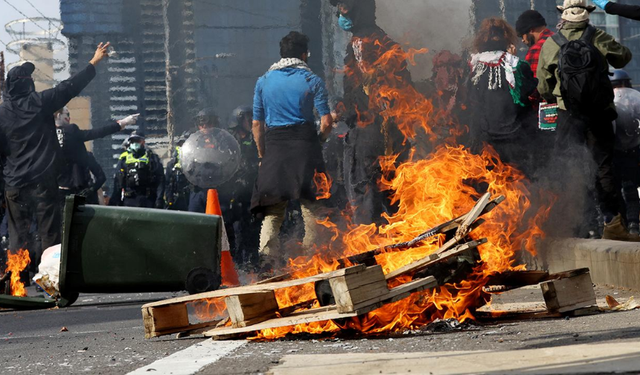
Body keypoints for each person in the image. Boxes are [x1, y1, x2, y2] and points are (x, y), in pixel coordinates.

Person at [537, 0, 636, 241]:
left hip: (567, 116)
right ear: (587, 14)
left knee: (568, 166)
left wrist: (560, 95)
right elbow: (624, 58)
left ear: (564, 15)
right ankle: (613, 224)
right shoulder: (598, 36)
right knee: (604, 167)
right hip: (600, 115)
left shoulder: (552, 43)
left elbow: (543, 86)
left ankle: (577, 224)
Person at [0, 42, 110, 255]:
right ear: (28, 84)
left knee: (18, 237)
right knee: (49, 235)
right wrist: (94, 61)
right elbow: (70, 86)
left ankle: (17, 283)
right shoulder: (41, 102)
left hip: (14, 186)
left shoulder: (2, 114)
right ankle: (51, 282)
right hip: (43, 183)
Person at [251, 31, 333, 270]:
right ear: (304, 54)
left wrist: (262, 156)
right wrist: (319, 141)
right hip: (305, 148)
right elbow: (326, 122)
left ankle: (267, 261)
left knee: (273, 211)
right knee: (311, 208)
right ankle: (311, 260)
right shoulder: (312, 80)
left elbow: (257, 125)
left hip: (275, 149)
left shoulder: (263, 81)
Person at [330, 0, 413, 226]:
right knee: (394, 198)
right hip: (394, 133)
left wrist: (344, 114)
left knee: (365, 197)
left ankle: (372, 249)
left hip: (368, 133)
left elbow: (356, 93)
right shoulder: (385, 40)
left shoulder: (359, 43)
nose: (340, 12)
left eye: (344, 7)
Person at [466, 18, 538, 174]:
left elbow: (469, 101)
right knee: (516, 185)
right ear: (507, 39)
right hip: (515, 138)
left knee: (488, 185)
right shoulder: (517, 65)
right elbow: (530, 95)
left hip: (484, 140)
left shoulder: (472, 66)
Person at [55, 106, 138, 203]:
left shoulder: (46, 135)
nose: (69, 118)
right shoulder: (71, 130)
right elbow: (96, 133)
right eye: (67, 114)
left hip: (57, 192)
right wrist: (122, 123)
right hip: (76, 189)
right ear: (59, 115)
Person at [224, 106, 260, 266]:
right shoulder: (228, 140)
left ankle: (253, 260)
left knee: (253, 227)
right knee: (236, 229)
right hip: (235, 191)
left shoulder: (255, 138)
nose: (251, 120)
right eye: (248, 117)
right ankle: (237, 263)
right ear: (239, 120)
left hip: (252, 189)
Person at [610, 70, 640, 234]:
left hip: (613, 152)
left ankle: (623, 221)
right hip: (632, 150)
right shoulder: (636, 97)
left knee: (614, 189)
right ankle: (634, 222)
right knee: (630, 186)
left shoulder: (607, 99)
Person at [111, 131, 165, 208]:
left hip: (148, 201)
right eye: (132, 141)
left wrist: (159, 200)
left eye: (137, 140)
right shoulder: (124, 160)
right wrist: (115, 201)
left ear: (143, 142)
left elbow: (161, 180)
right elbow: (118, 182)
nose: (135, 143)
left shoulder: (152, 158)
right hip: (129, 201)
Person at [187, 109, 221, 213]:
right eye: (201, 124)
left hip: (217, 188)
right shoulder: (193, 141)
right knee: (194, 219)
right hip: (197, 188)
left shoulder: (222, 140)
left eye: (208, 123)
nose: (204, 127)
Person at [516, 10, 554, 79]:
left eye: (522, 35)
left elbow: (532, 83)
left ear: (531, 30)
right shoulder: (558, 40)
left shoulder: (536, 49)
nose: (523, 40)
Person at [165, 131, 191, 211]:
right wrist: (169, 198)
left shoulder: (197, 163)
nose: (182, 146)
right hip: (176, 199)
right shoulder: (171, 164)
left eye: (184, 144)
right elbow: (167, 183)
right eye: (180, 144)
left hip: (190, 198)